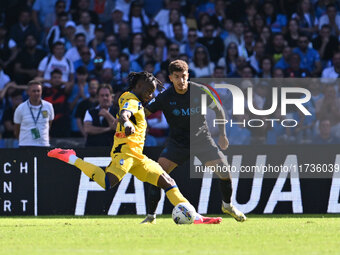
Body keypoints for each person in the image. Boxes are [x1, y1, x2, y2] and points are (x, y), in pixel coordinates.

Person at [47, 71, 220, 224]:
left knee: (168, 182)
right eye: (148, 91)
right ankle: (71, 157)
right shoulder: (132, 101)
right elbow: (125, 113)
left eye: (152, 92)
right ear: (138, 86)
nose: (151, 96)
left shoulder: (131, 98)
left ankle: (196, 217)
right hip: (125, 153)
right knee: (108, 183)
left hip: (138, 155)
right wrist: (127, 122)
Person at [142, 60, 246, 224]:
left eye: (183, 76)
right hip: (177, 143)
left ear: (188, 75)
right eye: (177, 77)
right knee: (158, 175)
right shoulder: (165, 97)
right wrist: (135, 122)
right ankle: (150, 217)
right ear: (170, 78)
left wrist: (223, 135)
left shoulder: (200, 91)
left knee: (225, 173)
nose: (181, 81)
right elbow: (144, 112)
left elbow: (219, 110)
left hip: (202, 141)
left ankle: (227, 206)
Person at [13, 80, 54, 147]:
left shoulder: (48, 106)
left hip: (43, 144)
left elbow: (49, 124)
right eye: (34, 91)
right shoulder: (20, 108)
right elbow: (17, 129)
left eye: (38, 91)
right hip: (25, 144)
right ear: (28, 92)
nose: (36, 93)